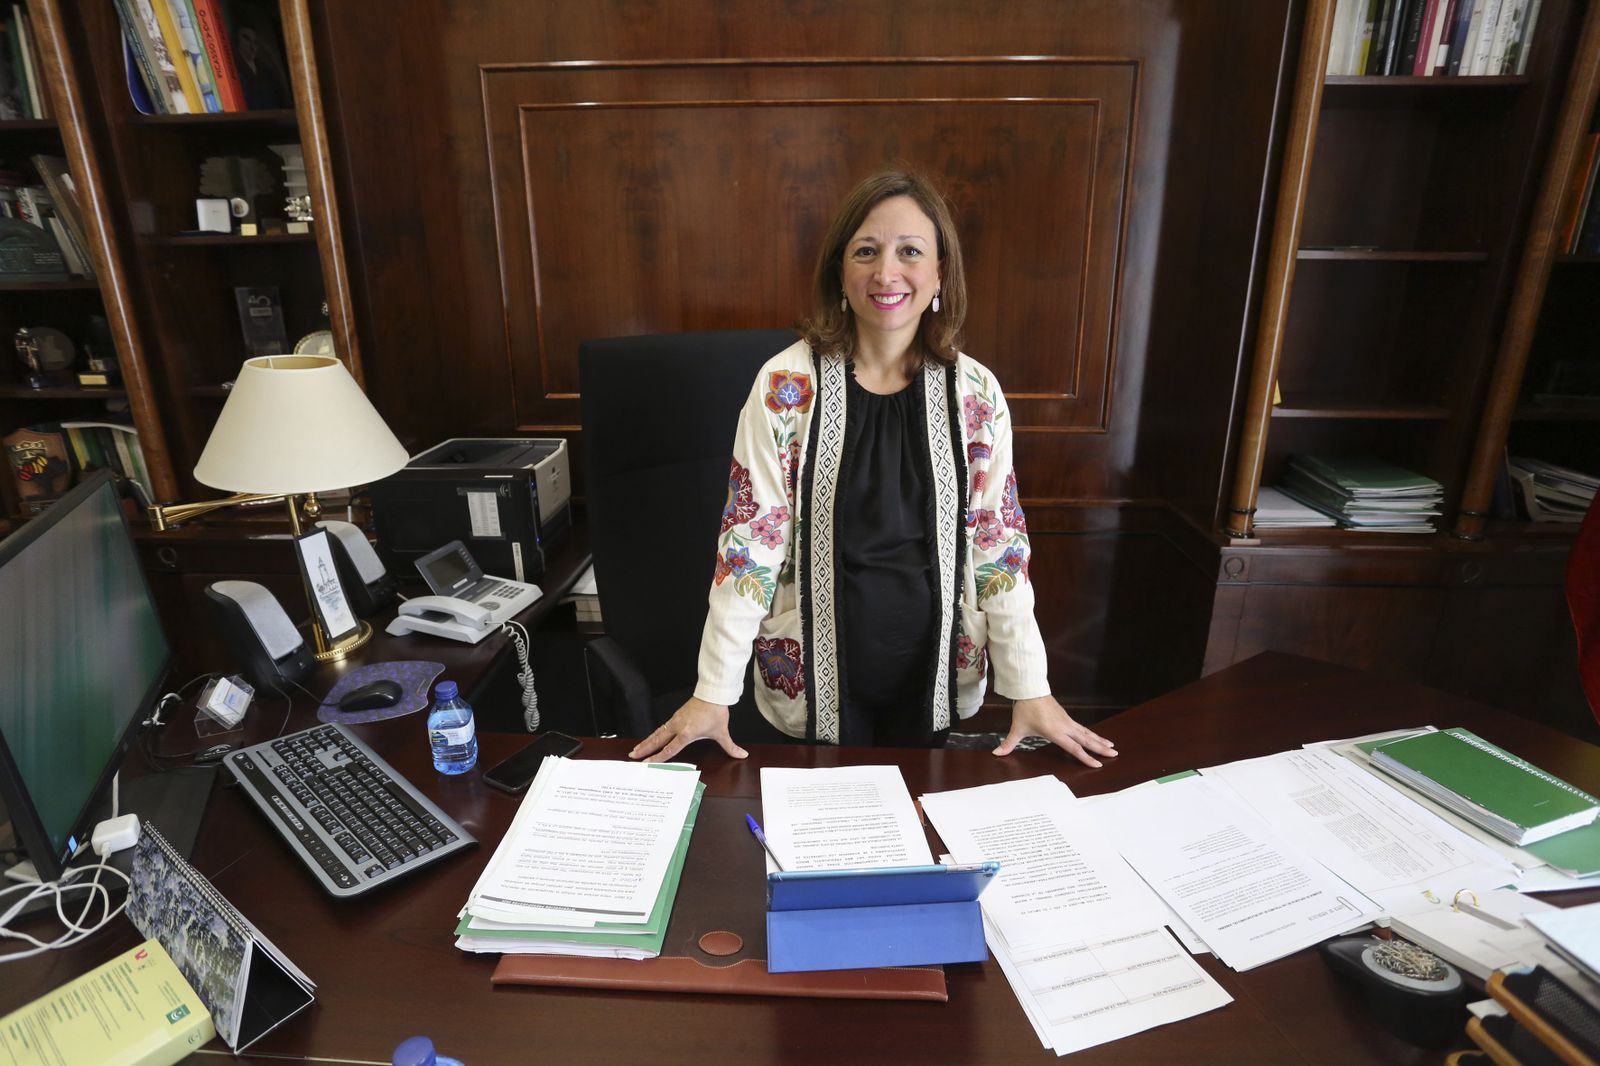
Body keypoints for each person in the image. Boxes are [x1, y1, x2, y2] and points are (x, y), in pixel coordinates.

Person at [629, 168, 1117, 768]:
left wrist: (1030, 686)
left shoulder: (975, 393)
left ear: (940, 273)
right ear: (840, 271)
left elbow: (1001, 548)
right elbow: (749, 544)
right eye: (866, 252)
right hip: (812, 684)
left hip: (934, 675)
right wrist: (713, 692)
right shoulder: (784, 386)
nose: (887, 273)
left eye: (910, 251)